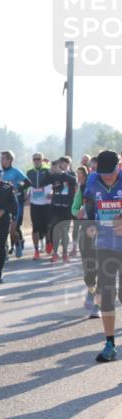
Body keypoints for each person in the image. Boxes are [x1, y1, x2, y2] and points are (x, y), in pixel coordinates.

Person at [82, 151, 122, 362]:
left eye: (111, 172)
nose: (107, 177)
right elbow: (89, 203)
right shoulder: (93, 179)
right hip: (105, 245)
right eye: (103, 173)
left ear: (119, 166)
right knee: (106, 295)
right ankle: (109, 343)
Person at [74, 165, 100, 318]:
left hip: (107, 234)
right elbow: (74, 207)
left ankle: (96, 303)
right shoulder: (84, 187)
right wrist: (77, 212)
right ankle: (91, 291)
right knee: (89, 272)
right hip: (87, 231)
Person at [47, 156, 78, 264]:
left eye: (64, 163)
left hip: (67, 207)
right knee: (55, 230)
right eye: (60, 163)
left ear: (68, 164)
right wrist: (50, 171)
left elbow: (74, 181)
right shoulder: (56, 175)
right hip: (56, 206)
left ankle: (65, 253)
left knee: (64, 231)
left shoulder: (72, 174)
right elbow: (45, 181)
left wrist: (63, 173)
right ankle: (55, 253)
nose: (61, 165)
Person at [0, 151, 29, 259]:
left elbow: (27, 182)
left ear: (9, 160)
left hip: (15, 204)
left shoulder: (15, 171)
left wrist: (18, 187)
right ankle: (5, 250)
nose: (1, 161)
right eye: (1, 158)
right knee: (2, 229)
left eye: (3, 158)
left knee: (13, 230)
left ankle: (17, 243)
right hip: (2, 204)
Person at [26, 152, 54, 259]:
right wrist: (26, 195)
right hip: (35, 204)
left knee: (47, 227)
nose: (36, 161)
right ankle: (36, 251)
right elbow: (26, 186)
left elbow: (55, 184)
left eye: (38, 159)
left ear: (42, 160)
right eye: (34, 159)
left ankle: (48, 242)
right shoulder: (29, 172)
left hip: (46, 203)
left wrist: (52, 193)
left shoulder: (47, 171)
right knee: (35, 228)